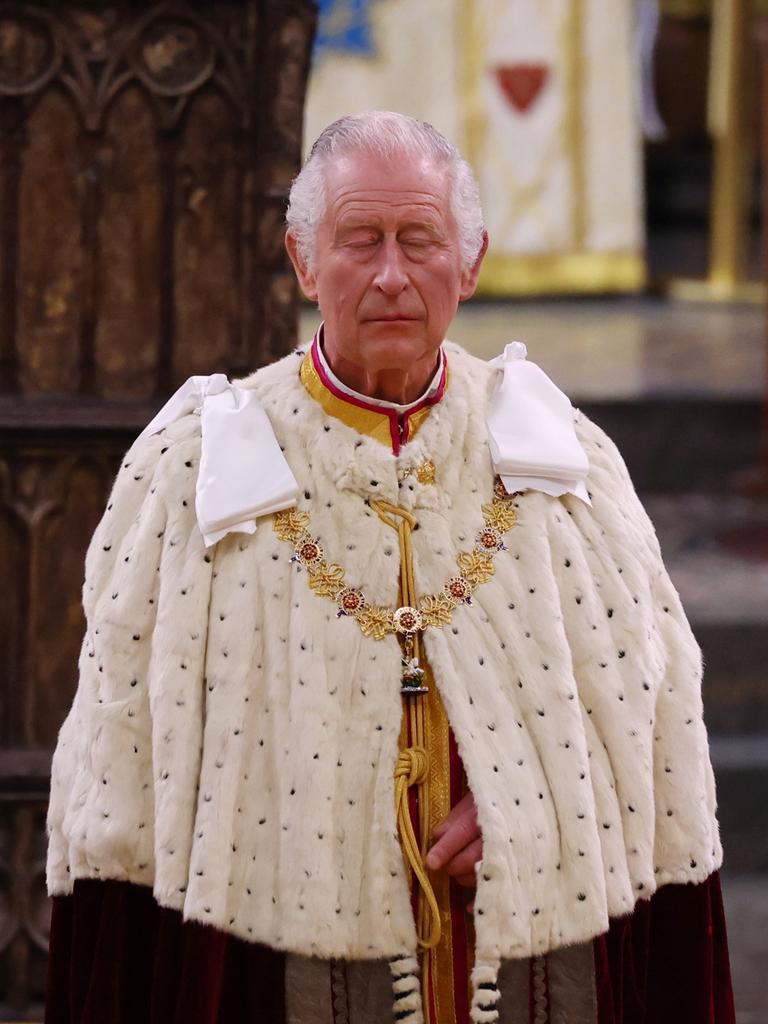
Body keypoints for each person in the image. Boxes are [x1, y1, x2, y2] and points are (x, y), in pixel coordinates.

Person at [44, 112, 734, 1024]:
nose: (392, 275)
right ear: (301, 262)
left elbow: (648, 703)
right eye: (359, 241)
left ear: (473, 263)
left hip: (518, 946)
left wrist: (542, 798)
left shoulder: (563, 458)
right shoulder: (195, 466)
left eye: (421, 241)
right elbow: (123, 747)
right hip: (274, 948)